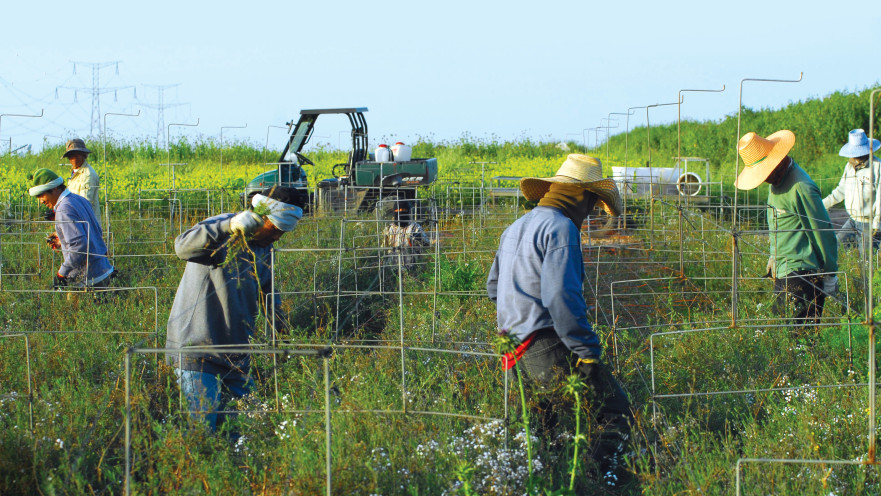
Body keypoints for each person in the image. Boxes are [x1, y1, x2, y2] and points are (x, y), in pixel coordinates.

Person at [486, 154, 632, 483]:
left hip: (513, 349)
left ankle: (546, 483)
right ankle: (594, 484)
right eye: (593, 203)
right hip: (545, 345)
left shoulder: (515, 228)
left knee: (543, 428)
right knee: (613, 412)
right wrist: (586, 351)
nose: (592, 211)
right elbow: (560, 298)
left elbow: (493, 287)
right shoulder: (562, 228)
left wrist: (519, 312)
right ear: (582, 197)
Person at [165, 186, 307, 431]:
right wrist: (228, 226)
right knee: (200, 431)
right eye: (274, 230)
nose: (276, 238)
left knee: (246, 429)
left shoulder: (264, 248)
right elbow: (181, 247)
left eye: (282, 233)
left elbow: (269, 294)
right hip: (197, 351)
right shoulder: (224, 229)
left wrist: (283, 334)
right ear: (261, 217)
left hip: (237, 355)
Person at [735, 130, 839, 325]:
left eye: (765, 172)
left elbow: (822, 232)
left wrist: (830, 274)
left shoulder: (801, 187)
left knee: (799, 338)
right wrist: (774, 254)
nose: (764, 179)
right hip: (783, 271)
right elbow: (779, 224)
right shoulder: (776, 182)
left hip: (802, 275)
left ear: (778, 161)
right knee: (783, 335)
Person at [27, 168, 115, 289]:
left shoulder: (63, 209)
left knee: (75, 307)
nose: (41, 201)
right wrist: (61, 242)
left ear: (55, 188)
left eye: (42, 195)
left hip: (87, 279)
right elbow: (94, 231)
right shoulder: (78, 199)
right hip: (103, 270)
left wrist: (62, 274)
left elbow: (79, 246)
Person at [822, 129, 881, 252]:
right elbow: (841, 191)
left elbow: (880, 196)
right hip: (852, 220)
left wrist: (877, 221)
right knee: (836, 248)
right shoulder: (850, 166)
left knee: (867, 261)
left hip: (868, 224)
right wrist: (821, 205)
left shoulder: (877, 166)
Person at [381, 196, 429, 270]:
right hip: (392, 267)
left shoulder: (415, 227)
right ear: (394, 212)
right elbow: (383, 249)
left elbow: (427, 244)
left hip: (412, 267)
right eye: (398, 210)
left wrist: (419, 238)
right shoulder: (388, 229)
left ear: (408, 211)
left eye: (403, 210)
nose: (400, 212)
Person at [63, 138, 101, 220]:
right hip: (75, 221)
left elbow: (85, 203)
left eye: (77, 155)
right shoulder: (75, 173)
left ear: (84, 155)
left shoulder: (88, 175)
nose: (74, 159)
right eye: (71, 156)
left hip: (86, 223)